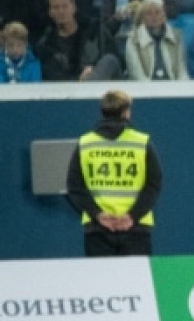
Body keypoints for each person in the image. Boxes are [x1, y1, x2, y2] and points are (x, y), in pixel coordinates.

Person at [67, 90, 164, 258]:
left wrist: (97, 214)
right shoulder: (141, 142)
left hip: (98, 228)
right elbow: (153, 184)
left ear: (103, 112)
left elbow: (75, 187)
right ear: (125, 112)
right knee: (135, 276)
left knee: (100, 276)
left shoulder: (85, 143)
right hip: (136, 227)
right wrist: (132, 216)